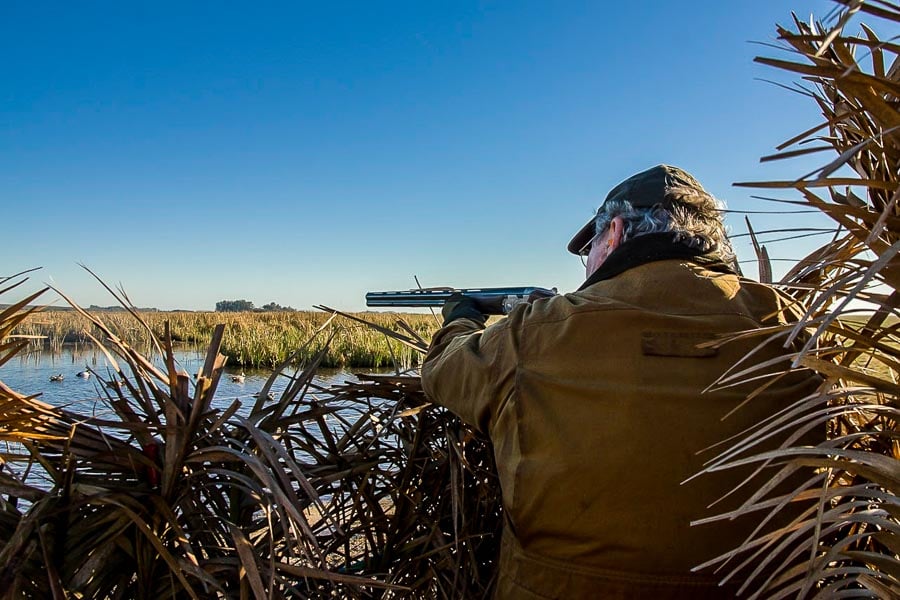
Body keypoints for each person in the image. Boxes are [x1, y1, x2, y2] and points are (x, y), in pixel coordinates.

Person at [420, 165, 818, 599]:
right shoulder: (794, 326)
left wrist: (461, 319)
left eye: (589, 248)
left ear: (613, 233)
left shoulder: (535, 333)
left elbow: (443, 370)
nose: (587, 263)